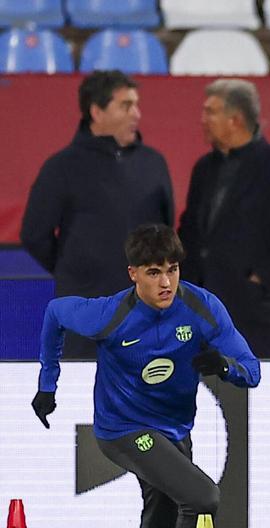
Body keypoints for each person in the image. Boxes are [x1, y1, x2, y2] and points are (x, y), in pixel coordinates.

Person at [31, 224, 260, 528]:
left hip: (174, 430)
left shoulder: (203, 307)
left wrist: (226, 368)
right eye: (154, 272)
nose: (166, 281)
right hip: (123, 429)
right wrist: (48, 383)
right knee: (202, 495)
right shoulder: (109, 314)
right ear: (132, 273)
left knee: (165, 508)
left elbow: (252, 371)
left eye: (172, 269)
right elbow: (55, 314)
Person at [21, 70, 174, 358]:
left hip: (146, 316)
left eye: (136, 104)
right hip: (86, 316)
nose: (137, 114)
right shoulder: (61, 167)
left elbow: (167, 234)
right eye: (126, 105)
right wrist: (74, 271)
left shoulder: (154, 163)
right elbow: (34, 233)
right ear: (97, 112)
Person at [178, 79, 270, 358]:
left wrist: (258, 280)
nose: (202, 120)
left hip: (261, 315)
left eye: (210, 112)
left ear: (235, 119)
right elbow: (191, 229)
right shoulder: (204, 169)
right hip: (204, 311)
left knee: (263, 396)